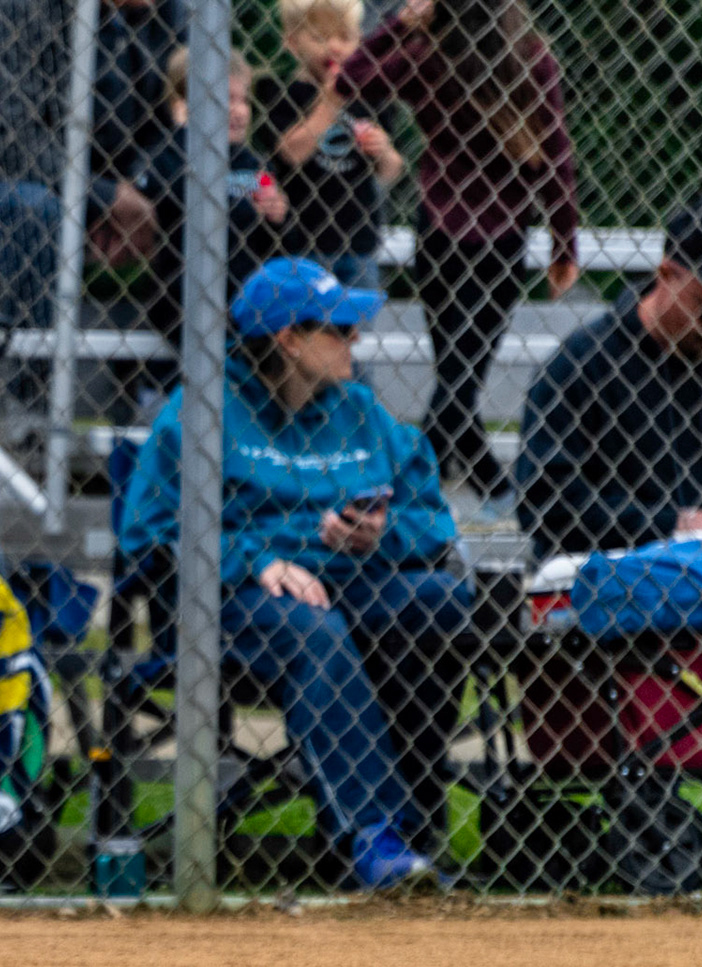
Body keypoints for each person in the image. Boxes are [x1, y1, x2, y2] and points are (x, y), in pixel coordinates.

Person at [118, 259, 471, 888]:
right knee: (314, 629)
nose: (354, 341)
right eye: (338, 329)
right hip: (229, 603)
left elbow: (435, 525)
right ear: (288, 338)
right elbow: (148, 536)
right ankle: (373, 837)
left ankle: (415, 827)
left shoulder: (362, 411)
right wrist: (254, 559)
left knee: (440, 604)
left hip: (354, 579)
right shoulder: (201, 410)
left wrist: (381, 535)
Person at [336, 0, 580, 513]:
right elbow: (557, 155)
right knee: (460, 375)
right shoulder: (532, 57)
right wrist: (563, 241)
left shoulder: (428, 55)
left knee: (457, 375)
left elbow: (350, 79)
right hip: (502, 235)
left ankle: (441, 486)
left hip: (441, 231)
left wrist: (398, 25)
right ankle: (457, 487)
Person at [517, 196, 702, 559]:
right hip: (620, 584)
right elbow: (544, 502)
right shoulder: (583, 364)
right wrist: (673, 526)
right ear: (666, 274)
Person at [0, 0, 163, 328]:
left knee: (178, 202)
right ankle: (35, 371)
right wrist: (101, 197)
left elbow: (147, 133)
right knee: (39, 211)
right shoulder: (10, 9)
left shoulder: (131, 24)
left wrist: (132, 193)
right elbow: (7, 139)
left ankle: (164, 375)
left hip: (65, 184)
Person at [139, 49, 290, 346]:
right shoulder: (168, 155)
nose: (239, 110)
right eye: (225, 100)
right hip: (183, 300)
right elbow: (175, 199)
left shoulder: (252, 165)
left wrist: (277, 216)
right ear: (185, 107)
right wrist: (185, 134)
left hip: (245, 302)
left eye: (243, 99)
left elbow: (277, 239)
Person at [257, 0, 405, 292]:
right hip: (302, 240)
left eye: (345, 37)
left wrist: (382, 149)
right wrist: (331, 100)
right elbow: (291, 152)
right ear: (292, 42)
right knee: (309, 325)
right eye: (320, 37)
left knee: (355, 324)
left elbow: (392, 169)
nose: (334, 47)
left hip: (358, 240)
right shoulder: (283, 93)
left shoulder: (370, 97)